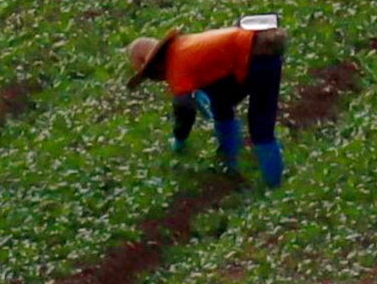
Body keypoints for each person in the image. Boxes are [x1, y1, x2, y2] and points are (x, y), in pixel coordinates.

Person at [123, 16, 289, 190]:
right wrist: (201, 91)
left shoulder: (175, 66)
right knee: (220, 102)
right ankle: (229, 163)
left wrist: (179, 139)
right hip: (257, 50)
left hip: (257, 56)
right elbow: (210, 66)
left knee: (260, 127)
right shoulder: (183, 46)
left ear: (155, 67)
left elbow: (184, 110)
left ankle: (274, 187)